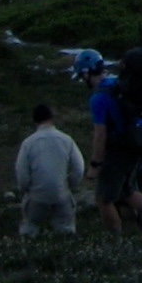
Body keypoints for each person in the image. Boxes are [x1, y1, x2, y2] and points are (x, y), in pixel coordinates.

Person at [90, 46, 142, 232]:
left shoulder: (99, 97)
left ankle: (115, 240)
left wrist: (95, 164)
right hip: (140, 145)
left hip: (118, 150)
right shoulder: (131, 87)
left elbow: (100, 134)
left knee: (104, 199)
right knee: (127, 191)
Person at [14, 101, 85, 236]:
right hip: (61, 193)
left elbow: (22, 173)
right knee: (65, 229)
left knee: (30, 226)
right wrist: (69, 185)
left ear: (35, 120)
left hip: (37, 195)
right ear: (52, 117)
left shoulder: (28, 143)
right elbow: (79, 168)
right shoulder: (67, 140)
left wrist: (25, 189)